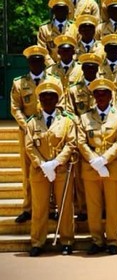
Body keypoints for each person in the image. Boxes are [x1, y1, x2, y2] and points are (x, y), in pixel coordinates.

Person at [11, 45, 63, 223]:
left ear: (44, 62)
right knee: (29, 170)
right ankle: (28, 207)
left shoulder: (54, 81)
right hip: (27, 132)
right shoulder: (20, 82)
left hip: (51, 130)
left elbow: (61, 103)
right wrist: (27, 125)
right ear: (28, 62)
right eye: (33, 61)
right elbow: (15, 107)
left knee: (53, 167)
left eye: (39, 60)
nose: (36, 63)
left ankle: (53, 207)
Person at [24, 82, 77, 256]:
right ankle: (37, 241)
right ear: (39, 99)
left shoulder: (67, 120)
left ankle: (67, 240)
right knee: (39, 207)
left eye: (51, 96)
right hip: (39, 170)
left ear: (57, 99)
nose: (48, 99)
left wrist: (55, 163)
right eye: (44, 96)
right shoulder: (32, 122)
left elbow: (71, 144)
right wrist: (43, 164)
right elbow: (29, 146)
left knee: (65, 206)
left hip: (61, 169)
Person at [77, 78, 117, 255]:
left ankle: (113, 240)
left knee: (113, 206)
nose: (101, 97)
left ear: (110, 95)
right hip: (91, 168)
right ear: (93, 96)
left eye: (104, 93)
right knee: (93, 207)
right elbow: (81, 142)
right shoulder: (85, 117)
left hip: (112, 167)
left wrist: (105, 159)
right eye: (97, 94)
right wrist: (94, 160)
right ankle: (97, 240)